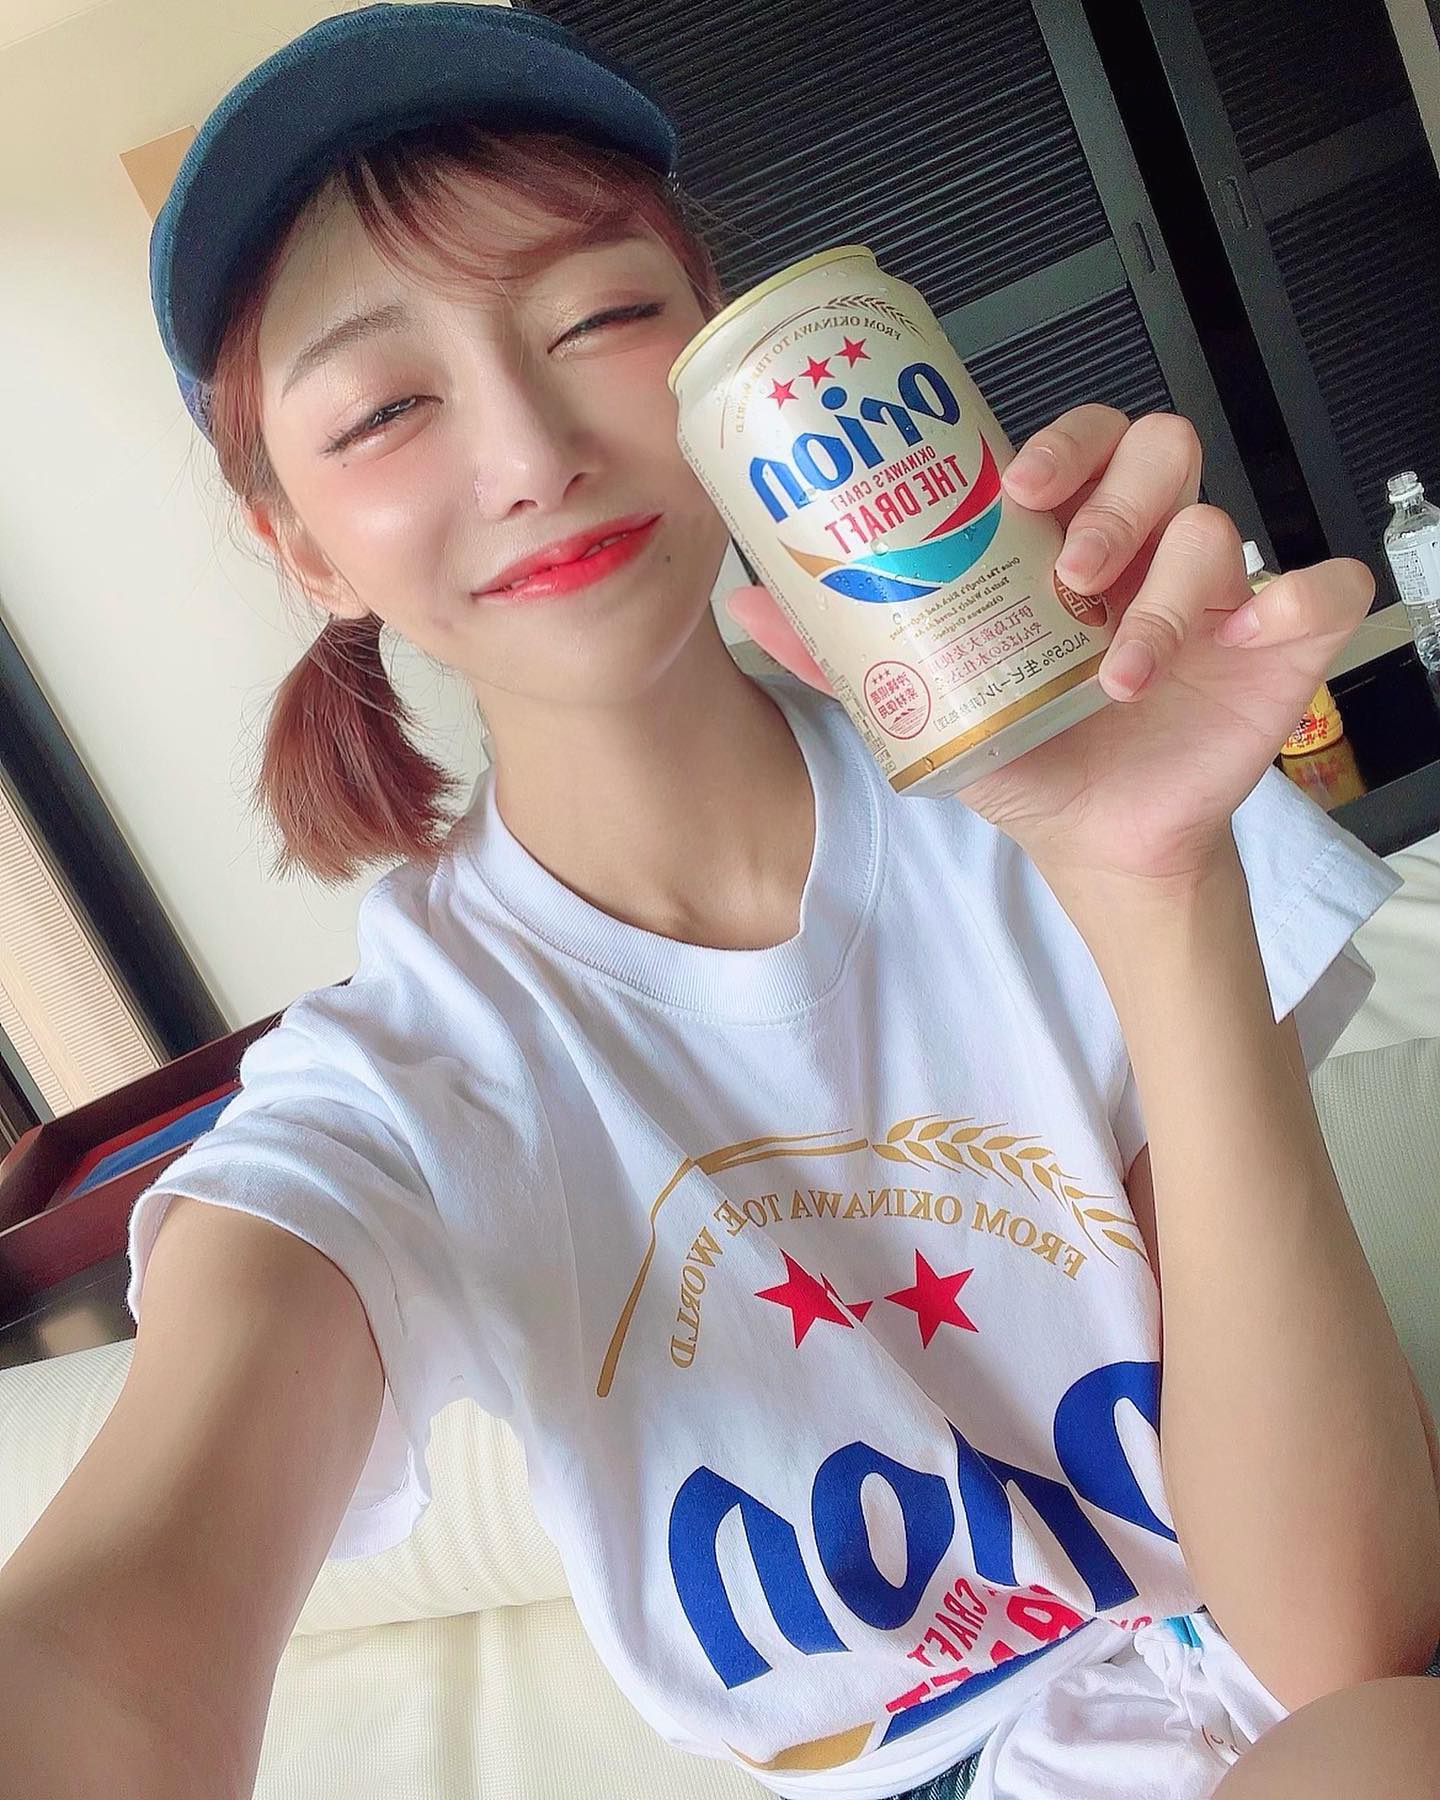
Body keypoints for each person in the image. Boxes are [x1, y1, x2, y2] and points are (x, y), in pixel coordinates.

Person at [3, 6, 1439, 1798]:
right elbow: (116, 1627)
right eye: (383, 410)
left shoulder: (1060, 798)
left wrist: (1155, 881)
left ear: (718, 366)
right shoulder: (386, 1102)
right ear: (298, 542)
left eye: (598, 318)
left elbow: (1342, 1653)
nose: (529, 450)